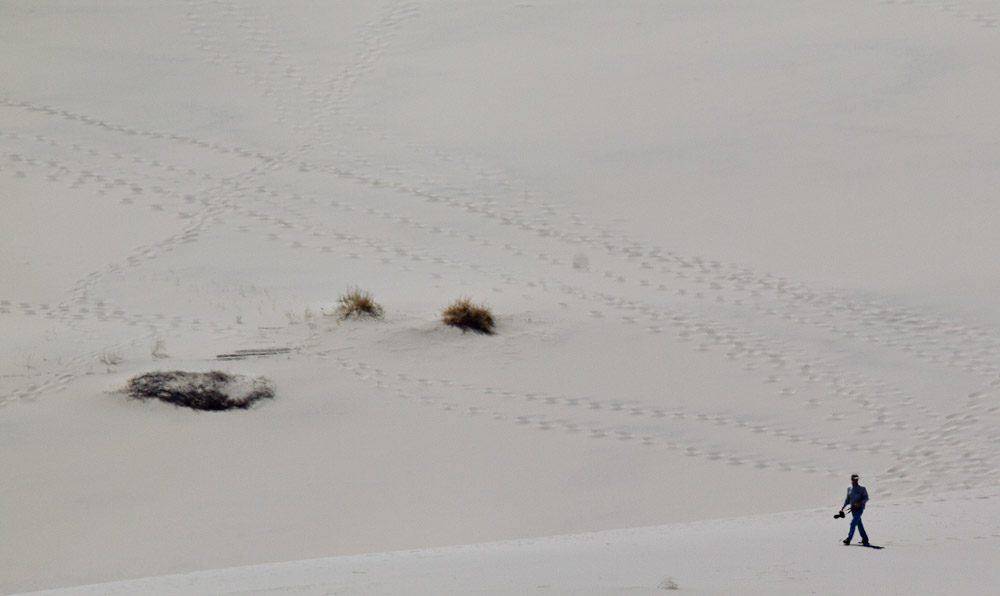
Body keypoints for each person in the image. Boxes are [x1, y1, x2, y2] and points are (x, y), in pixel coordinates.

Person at [840, 474, 869, 545]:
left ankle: (848, 539)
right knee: (859, 524)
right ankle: (865, 539)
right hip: (853, 509)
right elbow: (847, 499)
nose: (856, 480)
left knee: (853, 523)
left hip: (859, 509)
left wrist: (860, 502)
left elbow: (866, 498)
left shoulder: (862, 488)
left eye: (857, 479)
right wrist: (842, 508)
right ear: (852, 479)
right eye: (855, 479)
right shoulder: (849, 488)